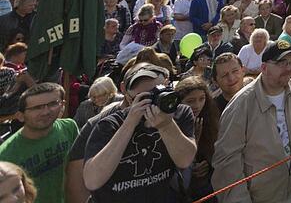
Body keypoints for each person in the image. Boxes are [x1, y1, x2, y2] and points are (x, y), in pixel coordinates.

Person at [213, 39, 291, 202]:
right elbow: (227, 161)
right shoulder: (241, 104)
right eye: (281, 63)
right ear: (264, 67)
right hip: (257, 197)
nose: (289, 68)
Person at [82, 62, 198, 200]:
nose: (155, 102)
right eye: (144, 98)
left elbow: (185, 161)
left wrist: (166, 125)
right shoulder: (109, 124)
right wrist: (130, 123)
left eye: (158, 93)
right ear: (129, 99)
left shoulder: (180, 114)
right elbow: (92, 180)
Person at [0, 83, 77, 203]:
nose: (46, 112)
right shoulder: (5, 156)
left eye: (52, 104)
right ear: (20, 116)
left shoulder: (69, 127)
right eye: (37, 108)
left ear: (62, 105)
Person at [174, 77, 219, 202]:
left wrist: (207, 165)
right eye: (190, 101)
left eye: (201, 99)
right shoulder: (171, 123)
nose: (197, 105)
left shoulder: (209, 119)